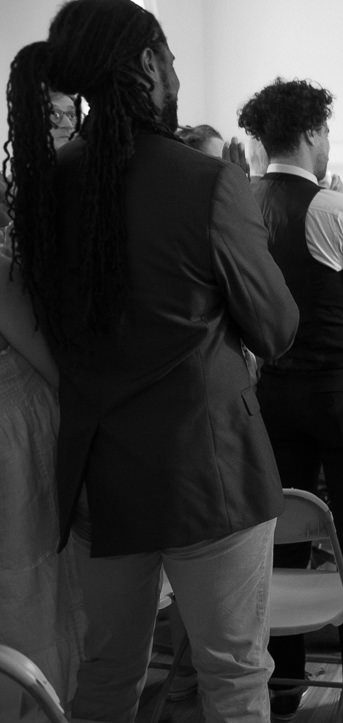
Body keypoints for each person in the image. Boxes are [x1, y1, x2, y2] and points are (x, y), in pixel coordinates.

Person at [4, 2, 300, 721]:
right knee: (233, 677)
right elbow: (277, 325)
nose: (175, 73)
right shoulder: (205, 181)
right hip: (209, 473)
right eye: (168, 58)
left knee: (105, 675)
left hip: (99, 479)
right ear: (146, 65)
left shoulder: (47, 188)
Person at [237, 78, 343, 720]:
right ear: (310, 135)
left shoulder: (240, 201)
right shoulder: (337, 209)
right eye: (325, 132)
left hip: (271, 393)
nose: (328, 143)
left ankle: (284, 683)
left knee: (280, 535)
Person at [0, 45, 85, 718]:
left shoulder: (65, 185)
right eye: (49, 110)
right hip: (23, 402)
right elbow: (23, 321)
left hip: (43, 395)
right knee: (25, 574)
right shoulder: (14, 198)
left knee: (52, 577)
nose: (61, 121)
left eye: (68, 110)